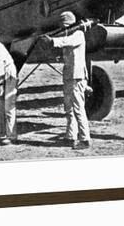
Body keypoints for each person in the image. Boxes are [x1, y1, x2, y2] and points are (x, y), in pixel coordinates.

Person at [41, 11, 91, 150]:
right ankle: (70, 136)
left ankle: (85, 139)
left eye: (64, 26)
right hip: (69, 76)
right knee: (69, 108)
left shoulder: (78, 35)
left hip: (76, 76)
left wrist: (52, 41)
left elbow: (67, 42)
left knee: (78, 108)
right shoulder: (70, 34)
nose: (63, 29)